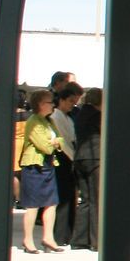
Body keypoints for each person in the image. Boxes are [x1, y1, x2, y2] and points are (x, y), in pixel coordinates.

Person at [13, 89, 65, 253]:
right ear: (41, 104)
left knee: (51, 202)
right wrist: (55, 143)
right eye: (50, 102)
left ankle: (48, 237)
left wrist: (56, 142)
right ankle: (27, 240)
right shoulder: (33, 121)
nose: (53, 105)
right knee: (33, 204)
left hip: (48, 165)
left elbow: (61, 138)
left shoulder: (48, 122)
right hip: (34, 166)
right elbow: (45, 146)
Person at [69, 87, 103, 250]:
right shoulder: (98, 115)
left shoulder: (81, 113)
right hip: (95, 157)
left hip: (80, 158)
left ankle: (79, 239)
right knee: (97, 200)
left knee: (86, 200)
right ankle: (97, 241)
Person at [49, 83, 81, 246]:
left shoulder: (67, 117)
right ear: (61, 100)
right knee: (63, 197)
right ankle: (60, 234)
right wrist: (73, 157)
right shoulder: (56, 116)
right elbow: (62, 140)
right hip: (62, 158)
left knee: (69, 196)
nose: (72, 105)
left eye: (74, 102)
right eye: (70, 101)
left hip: (69, 157)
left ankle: (66, 233)